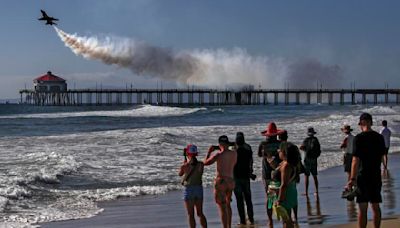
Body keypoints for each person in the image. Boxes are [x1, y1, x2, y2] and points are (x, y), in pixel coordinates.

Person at [347, 113, 386, 228]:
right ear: (370, 122)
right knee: (375, 206)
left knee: (363, 209)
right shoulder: (379, 137)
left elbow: (355, 160)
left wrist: (352, 178)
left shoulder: (359, 138)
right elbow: (381, 156)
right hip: (375, 175)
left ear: (362, 122)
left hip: (362, 176)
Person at [204, 135, 237, 228]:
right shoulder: (234, 153)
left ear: (219, 144)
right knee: (228, 205)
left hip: (221, 181)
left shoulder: (218, 155)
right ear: (227, 143)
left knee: (222, 207)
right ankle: (229, 226)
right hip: (231, 181)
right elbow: (235, 145)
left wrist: (209, 152)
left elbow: (205, 163)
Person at [258, 122, 283, 227]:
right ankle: (283, 217)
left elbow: (259, 155)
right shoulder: (280, 144)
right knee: (280, 196)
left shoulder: (263, 144)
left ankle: (270, 220)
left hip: (267, 174)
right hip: (278, 173)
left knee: (269, 198)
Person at [179, 144, 208, 228]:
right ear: (196, 154)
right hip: (198, 189)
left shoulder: (185, 166)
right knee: (200, 213)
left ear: (187, 154)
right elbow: (199, 172)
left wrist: (185, 162)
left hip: (189, 189)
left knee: (190, 215)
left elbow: (180, 174)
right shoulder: (201, 164)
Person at [273, 142, 300, 228]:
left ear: (284, 152)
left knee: (286, 220)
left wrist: (279, 201)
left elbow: (284, 184)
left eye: (280, 150)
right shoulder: (286, 163)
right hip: (289, 191)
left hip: (285, 194)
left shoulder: (286, 166)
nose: (278, 151)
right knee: (286, 219)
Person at [233, 132, 255, 225]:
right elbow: (251, 162)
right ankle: (251, 218)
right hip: (246, 177)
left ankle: (242, 220)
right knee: (248, 199)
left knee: (239, 200)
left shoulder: (233, 150)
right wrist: (251, 173)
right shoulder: (248, 148)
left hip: (236, 177)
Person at [300, 127, 321, 195]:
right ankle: (316, 191)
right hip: (314, 159)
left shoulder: (306, 140)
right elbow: (319, 149)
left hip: (307, 160)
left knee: (307, 176)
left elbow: (301, 147)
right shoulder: (316, 139)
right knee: (315, 176)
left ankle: (306, 192)